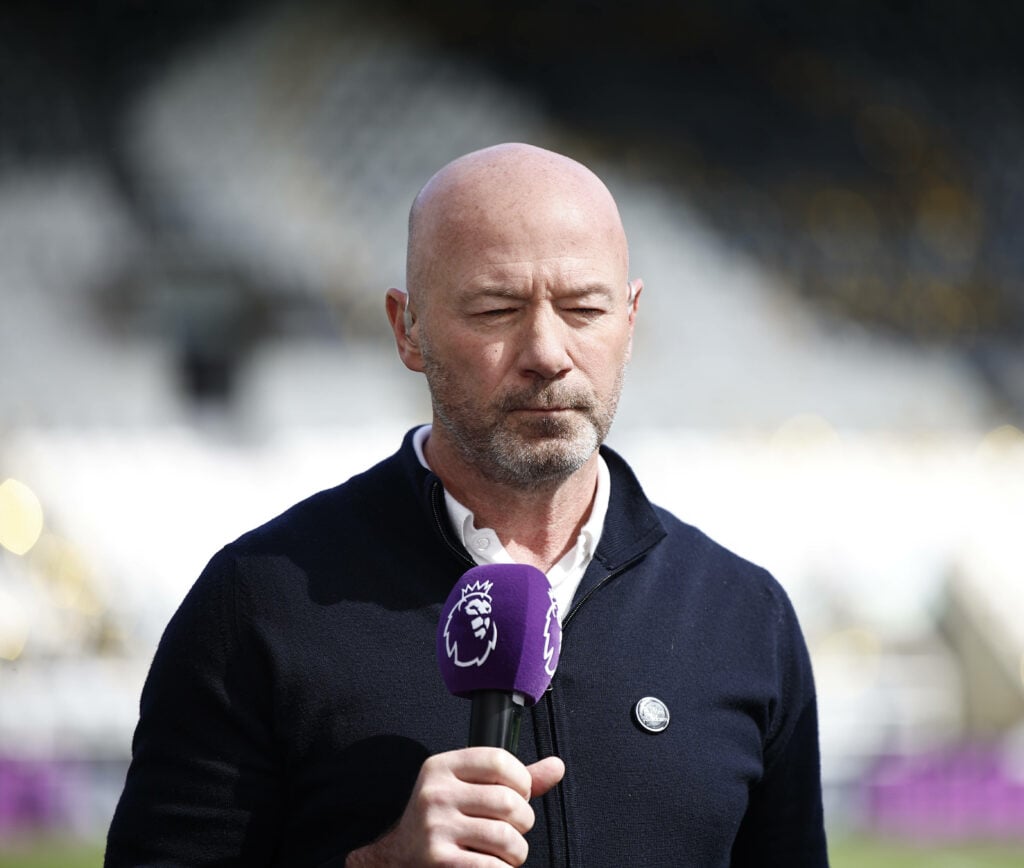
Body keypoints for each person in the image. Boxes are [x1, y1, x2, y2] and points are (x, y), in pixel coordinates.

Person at [105, 143, 828, 866]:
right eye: (495, 309)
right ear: (407, 329)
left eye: (583, 308)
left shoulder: (742, 618)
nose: (547, 351)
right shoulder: (258, 605)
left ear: (630, 321)